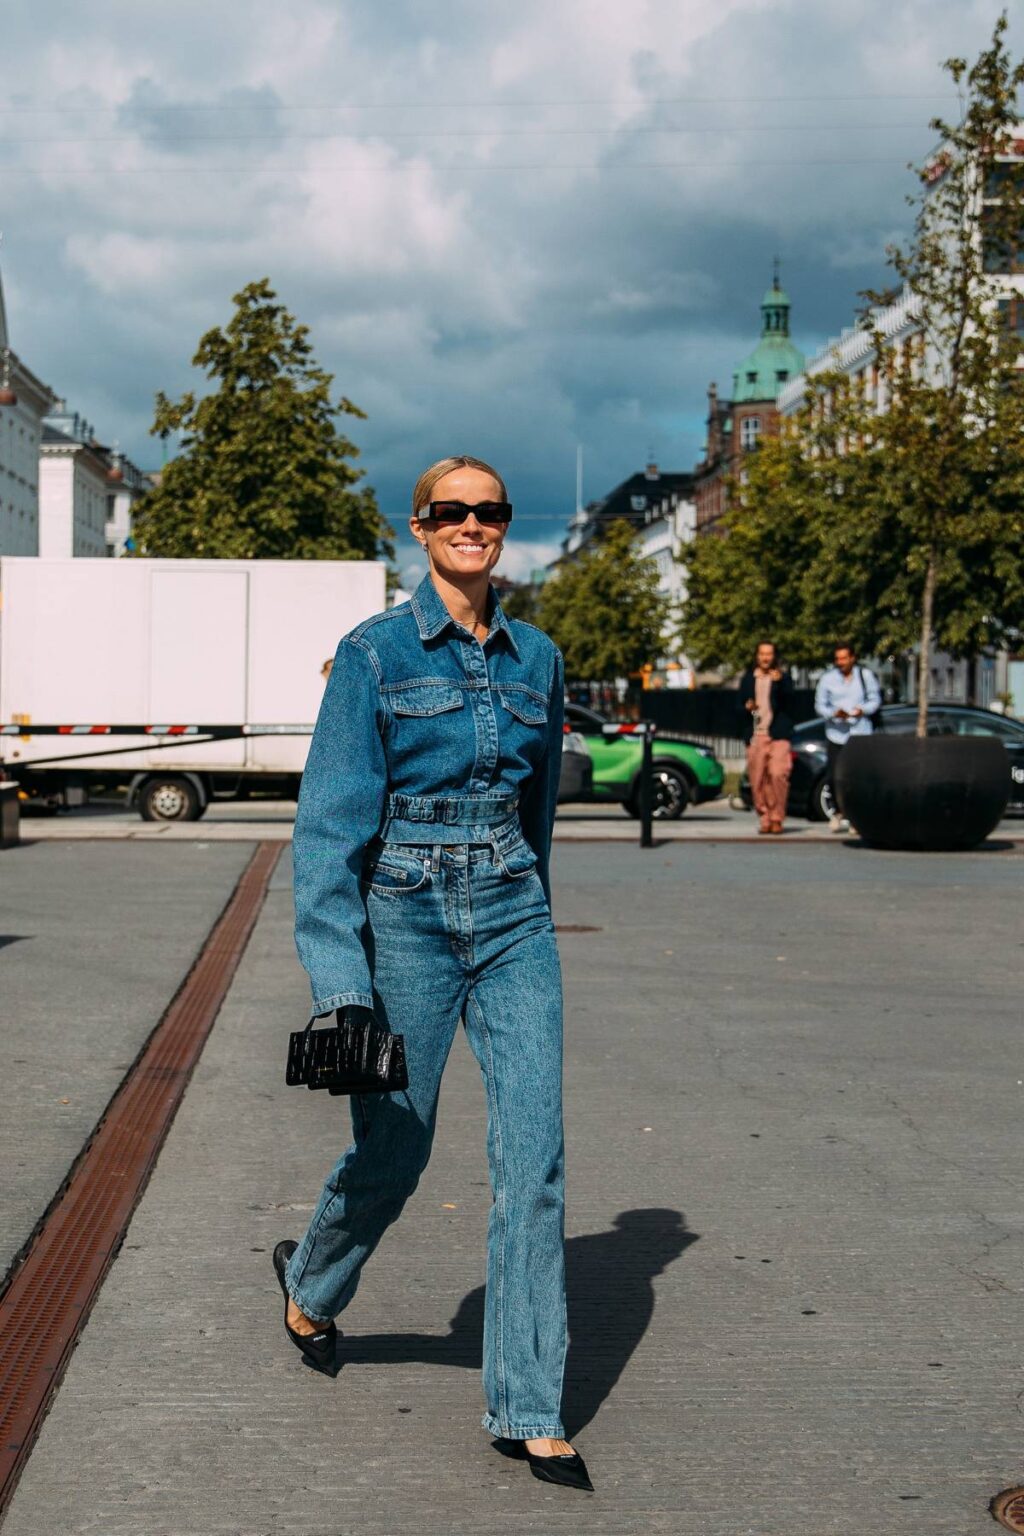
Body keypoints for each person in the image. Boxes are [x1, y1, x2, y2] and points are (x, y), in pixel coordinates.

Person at [276, 455, 593, 1494]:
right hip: (402, 918)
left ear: (503, 527)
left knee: (533, 1161)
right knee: (395, 1152)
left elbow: (536, 811)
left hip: (512, 916)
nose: (471, 525)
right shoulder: (370, 654)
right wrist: (343, 990)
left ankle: (530, 1407)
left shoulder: (536, 656)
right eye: (451, 511)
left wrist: (531, 904)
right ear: (419, 527)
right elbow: (325, 839)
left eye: (488, 511)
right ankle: (314, 1281)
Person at [814, 643, 882, 832]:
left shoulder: (865, 676)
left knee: (858, 776)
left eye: (844, 658)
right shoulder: (828, 679)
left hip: (860, 733)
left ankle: (856, 817)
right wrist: (834, 713)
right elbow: (820, 706)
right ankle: (838, 812)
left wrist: (862, 710)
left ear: (853, 658)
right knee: (834, 775)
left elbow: (875, 699)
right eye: (838, 659)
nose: (841, 662)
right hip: (836, 733)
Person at [739, 641, 795, 834]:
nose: (765, 657)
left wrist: (779, 682)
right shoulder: (748, 679)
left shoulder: (783, 679)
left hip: (778, 734)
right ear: (757, 656)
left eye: (769, 654)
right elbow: (737, 706)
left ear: (774, 656)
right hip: (756, 734)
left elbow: (790, 702)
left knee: (778, 774)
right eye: (762, 654)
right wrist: (746, 707)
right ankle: (764, 817)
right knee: (758, 780)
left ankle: (777, 817)